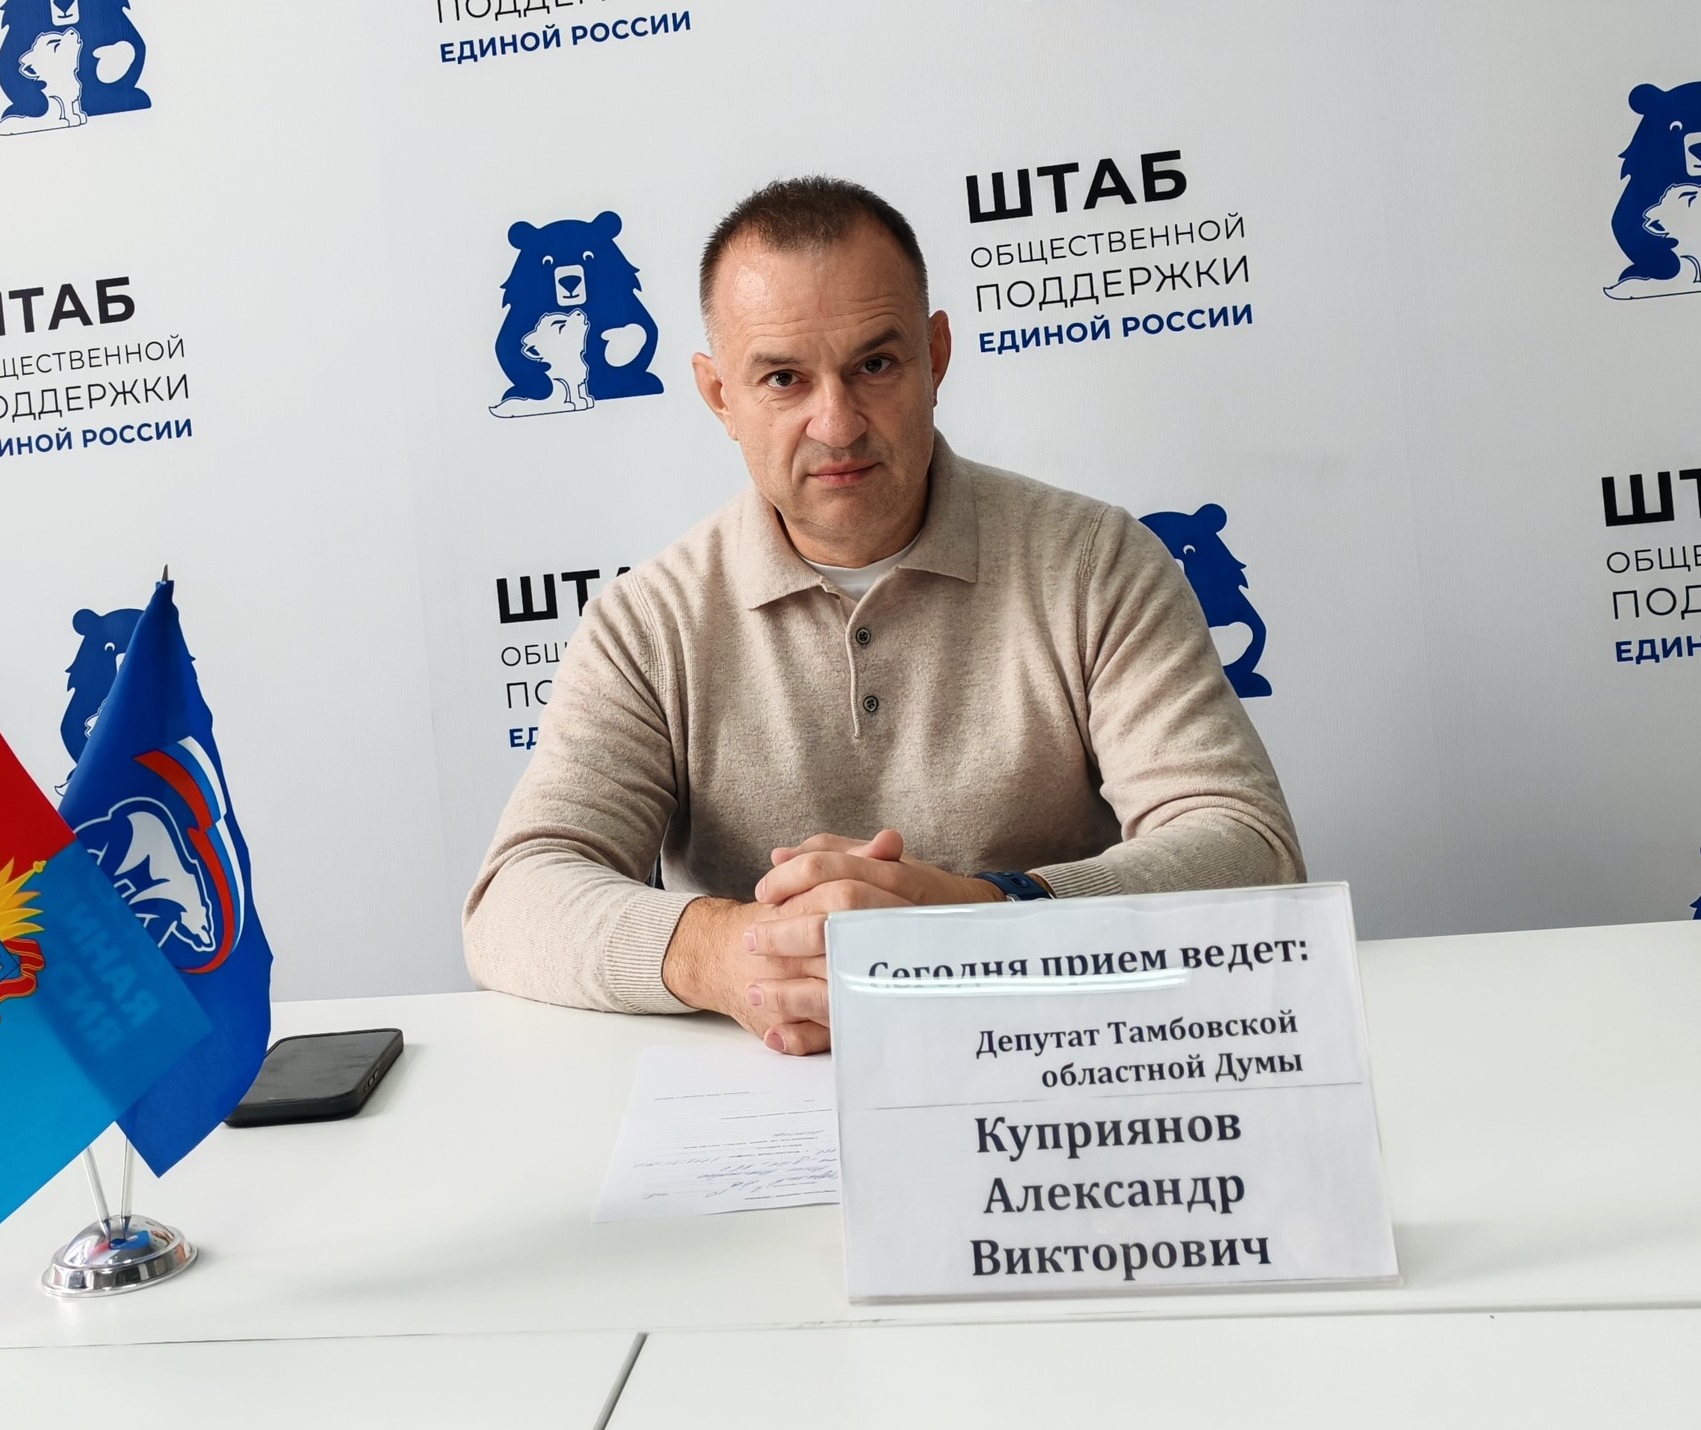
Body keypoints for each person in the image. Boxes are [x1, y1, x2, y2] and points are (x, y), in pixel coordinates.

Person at [463, 176, 1302, 1054]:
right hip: (766, 1086)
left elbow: (1249, 849)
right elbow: (514, 898)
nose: (836, 424)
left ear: (936, 356)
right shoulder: (648, 622)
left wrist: (990, 917)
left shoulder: (1097, 563)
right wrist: (735, 953)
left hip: (1057, 1067)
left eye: (874, 365)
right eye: (783, 378)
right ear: (719, 397)